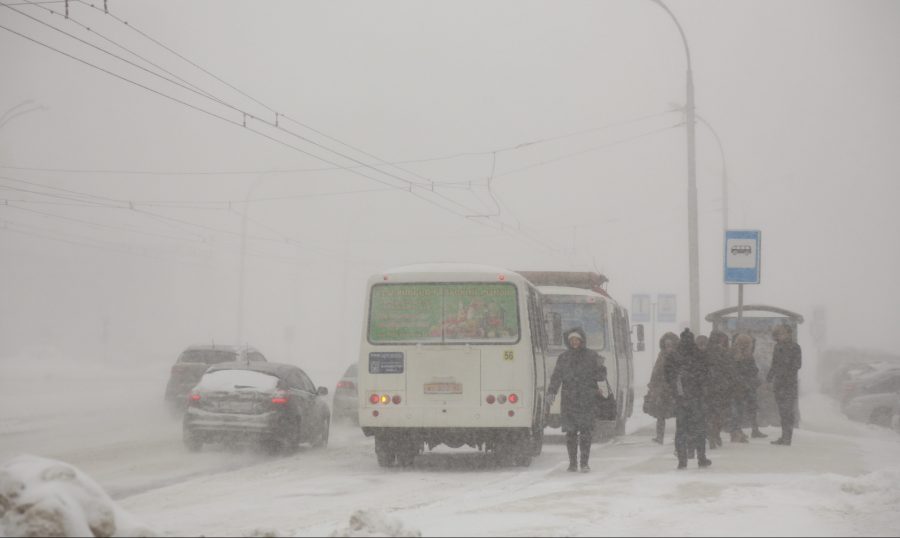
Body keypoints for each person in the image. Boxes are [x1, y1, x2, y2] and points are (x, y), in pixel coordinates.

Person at [547, 328, 607, 473]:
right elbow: (556, 377)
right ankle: (572, 463)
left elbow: (601, 377)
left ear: (582, 341)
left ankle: (584, 463)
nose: (574, 342)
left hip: (587, 400)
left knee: (586, 433)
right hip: (569, 401)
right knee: (571, 433)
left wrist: (601, 368)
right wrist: (551, 391)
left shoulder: (592, 356)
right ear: (568, 342)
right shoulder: (563, 358)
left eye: (577, 340)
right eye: (571, 340)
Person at [665, 329, 711, 469]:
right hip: (696, 398)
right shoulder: (699, 355)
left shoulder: (673, 356)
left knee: (681, 430)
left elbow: (667, 376)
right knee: (699, 428)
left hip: (681, 399)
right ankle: (701, 458)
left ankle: (682, 460)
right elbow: (706, 375)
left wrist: (675, 392)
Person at [729, 334, 767, 442]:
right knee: (736, 409)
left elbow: (753, 369)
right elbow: (734, 371)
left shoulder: (747, 355)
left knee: (741, 409)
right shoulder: (735, 354)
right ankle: (735, 432)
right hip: (738, 387)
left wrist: (752, 378)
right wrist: (744, 379)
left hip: (746, 386)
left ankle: (738, 431)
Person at [768, 325, 802, 446]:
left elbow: (797, 365)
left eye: (783, 333)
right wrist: (770, 376)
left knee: (788, 410)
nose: (780, 336)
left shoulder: (795, 347)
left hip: (789, 383)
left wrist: (784, 370)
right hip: (779, 383)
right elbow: (774, 363)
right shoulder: (778, 347)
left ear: (789, 334)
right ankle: (784, 436)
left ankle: (787, 437)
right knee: (782, 411)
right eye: (779, 333)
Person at [643, 332, 679, 444]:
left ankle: (679, 436)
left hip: (675, 389)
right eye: (666, 345)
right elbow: (656, 371)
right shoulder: (661, 355)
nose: (668, 347)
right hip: (662, 390)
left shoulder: (678, 356)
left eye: (670, 345)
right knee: (660, 414)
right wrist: (652, 385)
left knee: (679, 414)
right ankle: (659, 437)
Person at [704, 330, 735, 449]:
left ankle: (712, 435)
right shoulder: (724, 353)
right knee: (719, 414)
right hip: (721, 388)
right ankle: (715, 434)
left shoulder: (706, 352)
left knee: (711, 414)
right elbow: (730, 370)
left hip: (710, 388)